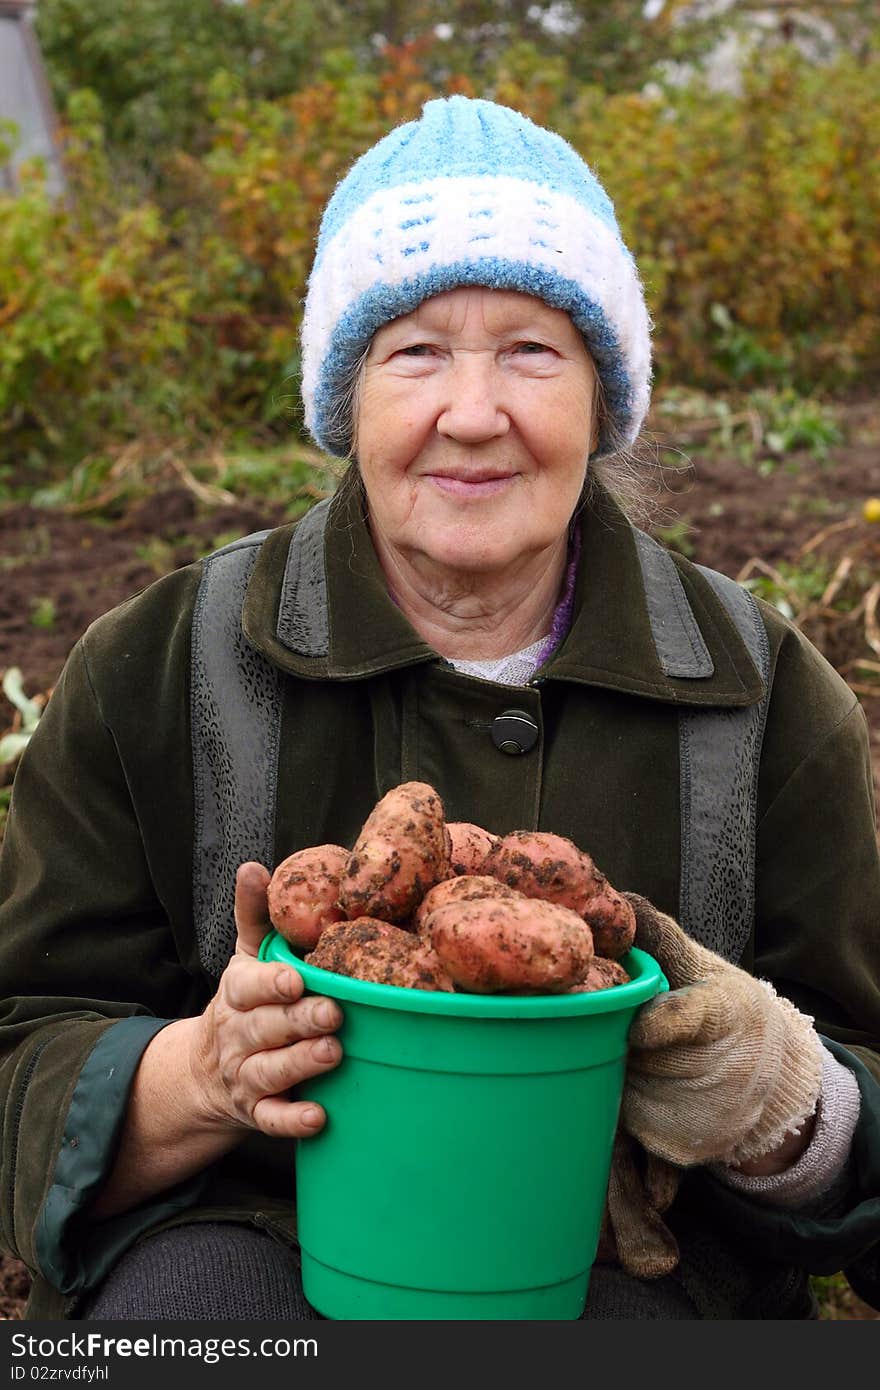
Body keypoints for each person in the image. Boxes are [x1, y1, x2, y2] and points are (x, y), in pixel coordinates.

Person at [1, 95, 879, 1323]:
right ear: (346, 398)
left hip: (631, 1271)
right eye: (414, 350)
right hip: (243, 1239)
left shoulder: (767, 701)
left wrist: (794, 1107)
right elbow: (19, 1037)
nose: (473, 412)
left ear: (601, 396)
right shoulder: (155, 670)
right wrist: (193, 1076)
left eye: (531, 349)